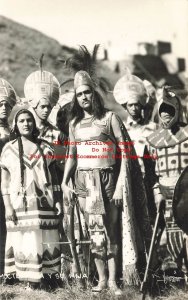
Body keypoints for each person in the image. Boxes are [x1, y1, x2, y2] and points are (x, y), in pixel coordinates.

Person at [62, 70, 151, 294]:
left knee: (111, 231)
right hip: (85, 182)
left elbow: (125, 153)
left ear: (94, 94)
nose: (84, 97)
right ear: (76, 97)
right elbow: (72, 155)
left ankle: (113, 280)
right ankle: (101, 279)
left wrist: (121, 183)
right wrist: (65, 181)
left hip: (108, 180)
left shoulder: (110, 118)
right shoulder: (74, 124)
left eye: (87, 92)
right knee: (95, 233)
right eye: (79, 94)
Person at [0, 109, 62, 289]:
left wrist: (57, 200)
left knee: (46, 237)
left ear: (33, 123)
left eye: (29, 120)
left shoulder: (45, 147)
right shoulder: (8, 149)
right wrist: (8, 206)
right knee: (25, 238)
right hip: (20, 205)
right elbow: (4, 182)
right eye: (21, 121)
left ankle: (45, 280)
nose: (26, 124)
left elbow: (54, 177)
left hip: (45, 203)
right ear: (15, 125)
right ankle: (29, 281)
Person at [146, 86, 188, 275]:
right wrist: (156, 192)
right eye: (162, 109)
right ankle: (180, 274)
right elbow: (152, 173)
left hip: (186, 195)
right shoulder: (154, 141)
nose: (165, 113)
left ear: (177, 111)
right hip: (165, 195)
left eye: (169, 109)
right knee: (171, 236)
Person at [24, 69, 67, 182]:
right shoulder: (24, 130)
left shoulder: (57, 134)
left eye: (49, 107)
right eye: (42, 107)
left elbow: (65, 161)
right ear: (34, 106)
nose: (46, 110)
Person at [0, 78, 17, 279]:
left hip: (7, 185)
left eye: (7, 105)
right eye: (0, 105)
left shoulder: (13, 130)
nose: (4, 108)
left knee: (7, 225)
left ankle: (7, 270)